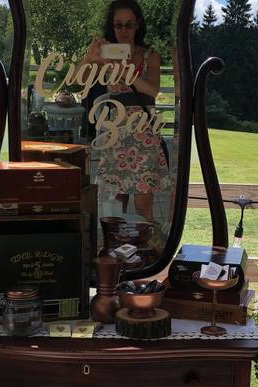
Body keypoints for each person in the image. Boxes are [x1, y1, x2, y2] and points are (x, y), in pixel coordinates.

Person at [83, 0, 169, 221]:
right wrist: (91, 58)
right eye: (118, 25)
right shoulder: (106, 55)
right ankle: (116, 250)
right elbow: (81, 80)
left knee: (143, 203)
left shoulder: (150, 56)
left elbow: (152, 90)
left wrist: (121, 70)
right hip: (118, 130)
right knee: (116, 203)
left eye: (128, 25)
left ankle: (148, 251)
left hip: (143, 132)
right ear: (111, 26)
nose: (123, 30)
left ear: (138, 25)